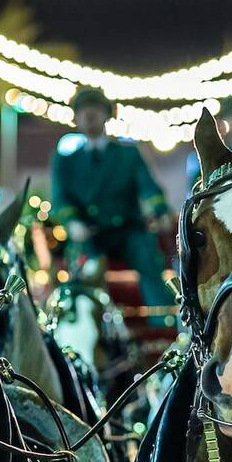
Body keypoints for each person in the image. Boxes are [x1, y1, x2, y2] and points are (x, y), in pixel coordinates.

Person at [50, 87, 172, 309]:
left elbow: (149, 188)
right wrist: (72, 223)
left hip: (128, 231)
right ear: (76, 118)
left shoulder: (128, 154)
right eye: (83, 110)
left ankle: (161, 325)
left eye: (95, 109)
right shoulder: (65, 161)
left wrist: (160, 211)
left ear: (107, 115)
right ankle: (89, 329)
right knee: (83, 275)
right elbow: (60, 199)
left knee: (149, 260)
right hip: (88, 235)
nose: (89, 115)